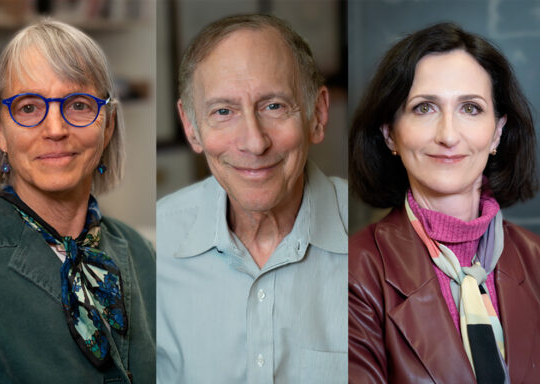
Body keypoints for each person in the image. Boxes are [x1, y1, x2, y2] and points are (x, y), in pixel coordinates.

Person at [157, 14, 347, 383]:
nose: (254, 142)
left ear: (317, 115)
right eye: (223, 112)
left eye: (274, 106)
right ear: (192, 127)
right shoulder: (152, 250)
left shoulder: (374, 240)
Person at [349, 22, 540, 383]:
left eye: (470, 108)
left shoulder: (537, 261)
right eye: (424, 108)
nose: (448, 135)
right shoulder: (353, 274)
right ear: (390, 133)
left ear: (497, 131)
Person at [0, 19, 155, 383]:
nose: (55, 129)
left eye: (79, 104)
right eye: (29, 107)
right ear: (0, 129)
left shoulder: (141, 252)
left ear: (108, 125)